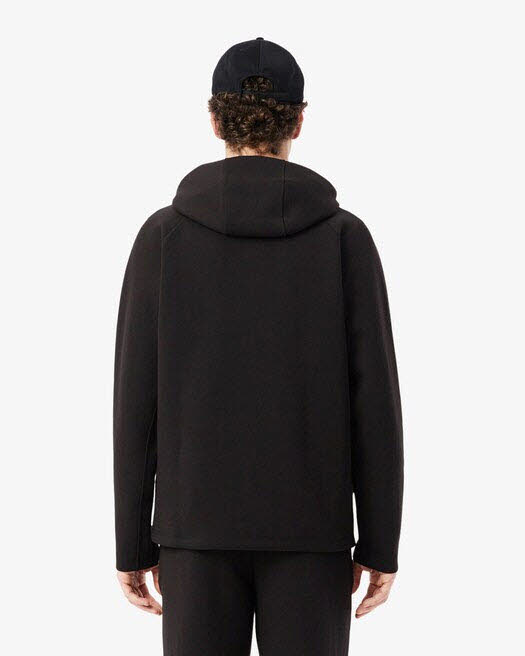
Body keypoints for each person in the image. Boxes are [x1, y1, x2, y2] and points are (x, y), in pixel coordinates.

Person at [114, 37, 403, 655]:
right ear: (298, 121)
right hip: (313, 534)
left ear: (215, 120)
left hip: (194, 532)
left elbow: (136, 402)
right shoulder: (345, 239)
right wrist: (380, 541)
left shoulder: (162, 238)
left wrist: (132, 543)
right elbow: (375, 402)